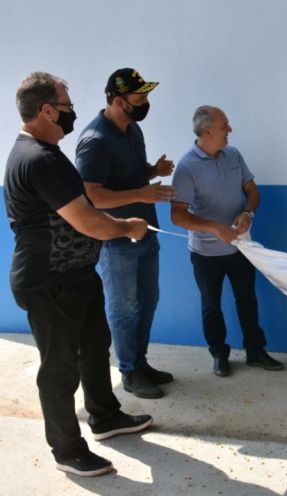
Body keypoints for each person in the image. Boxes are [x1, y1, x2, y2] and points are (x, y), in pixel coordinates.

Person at [5, 72, 154, 477]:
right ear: (48, 110)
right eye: (67, 105)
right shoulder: (38, 158)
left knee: (94, 347)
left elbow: (80, 213)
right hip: (48, 282)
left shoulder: (48, 153)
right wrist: (127, 227)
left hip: (76, 276)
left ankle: (105, 417)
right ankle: (67, 450)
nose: (73, 112)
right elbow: (87, 221)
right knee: (59, 369)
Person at [75, 68, 176, 399]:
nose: (146, 102)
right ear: (119, 101)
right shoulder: (95, 141)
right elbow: (93, 194)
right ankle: (130, 372)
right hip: (116, 239)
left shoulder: (132, 130)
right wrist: (141, 195)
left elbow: (128, 174)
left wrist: (152, 171)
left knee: (148, 301)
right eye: (140, 97)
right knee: (124, 307)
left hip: (145, 232)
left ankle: (141, 363)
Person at [171, 106, 283, 377]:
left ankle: (255, 351)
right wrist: (213, 227)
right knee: (212, 304)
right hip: (206, 253)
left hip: (240, 248)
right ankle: (219, 354)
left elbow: (252, 191)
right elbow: (177, 216)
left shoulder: (233, 155)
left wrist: (248, 212)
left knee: (247, 299)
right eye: (225, 126)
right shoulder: (186, 167)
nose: (229, 130)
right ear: (207, 131)